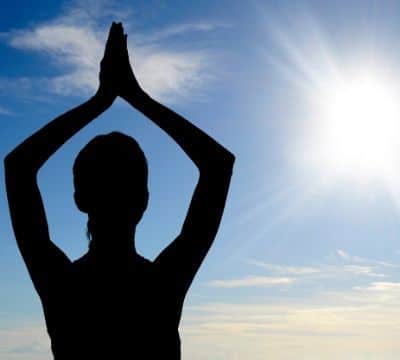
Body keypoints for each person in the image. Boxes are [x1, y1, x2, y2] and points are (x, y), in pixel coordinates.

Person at [4, 22, 235, 359]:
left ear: (79, 199)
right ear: (144, 201)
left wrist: (100, 100)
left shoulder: (63, 286)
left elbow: (18, 167)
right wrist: (135, 95)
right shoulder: (161, 286)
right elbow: (218, 164)